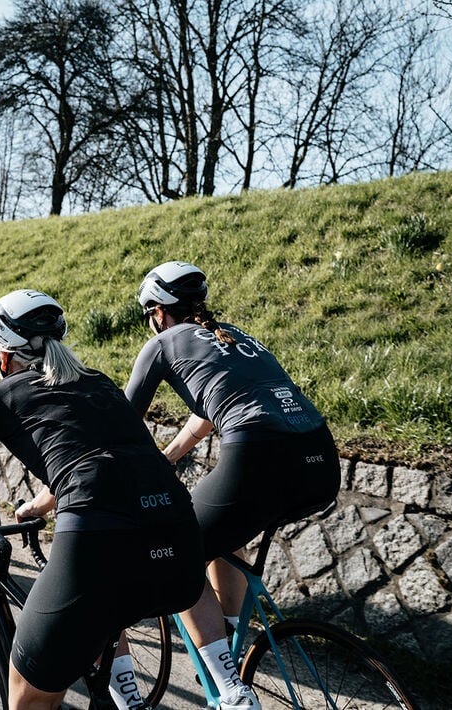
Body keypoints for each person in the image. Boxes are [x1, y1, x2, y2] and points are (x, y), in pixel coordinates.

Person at [0, 289, 205, 710]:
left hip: (101, 540)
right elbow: (108, 459)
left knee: (28, 689)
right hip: (180, 548)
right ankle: (127, 698)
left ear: (2, 357)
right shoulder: (99, 382)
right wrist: (39, 506)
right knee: (100, 613)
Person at [125, 261, 342, 710]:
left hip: (262, 456)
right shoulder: (235, 336)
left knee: (177, 549)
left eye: (150, 315)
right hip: (321, 461)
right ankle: (225, 637)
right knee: (224, 534)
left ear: (158, 312)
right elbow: (212, 409)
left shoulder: (163, 342)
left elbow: (122, 425)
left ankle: (228, 688)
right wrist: (169, 457)